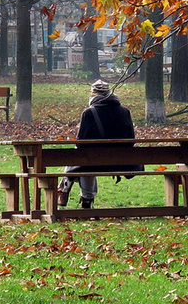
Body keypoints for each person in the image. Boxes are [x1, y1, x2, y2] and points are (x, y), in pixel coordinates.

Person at [56, 79, 137, 209]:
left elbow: (81, 143)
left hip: (93, 162)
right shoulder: (125, 112)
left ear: (93, 95)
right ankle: (82, 198)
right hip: (120, 163)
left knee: (83, 158)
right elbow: (131, 140)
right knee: (86, 160)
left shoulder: (89, 112)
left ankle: (68, 189)